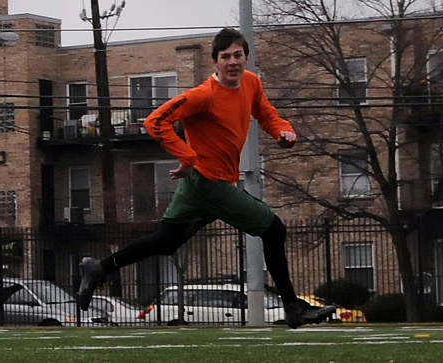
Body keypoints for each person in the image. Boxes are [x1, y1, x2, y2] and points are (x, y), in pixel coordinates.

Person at [76, 27, 336, 328]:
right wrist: (186, 156)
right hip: (209, 182)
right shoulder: (203, 95)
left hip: (202, 184)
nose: (232, 62)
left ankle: (100, 269)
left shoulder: (251, 83)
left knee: (166, 241)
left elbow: (266, 114)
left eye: (238, 55)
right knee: (274, 230)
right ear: (215, 62)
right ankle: (293, 307)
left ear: (246, 58)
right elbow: (154, 121)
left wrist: (281, 132)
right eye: (225, 57)